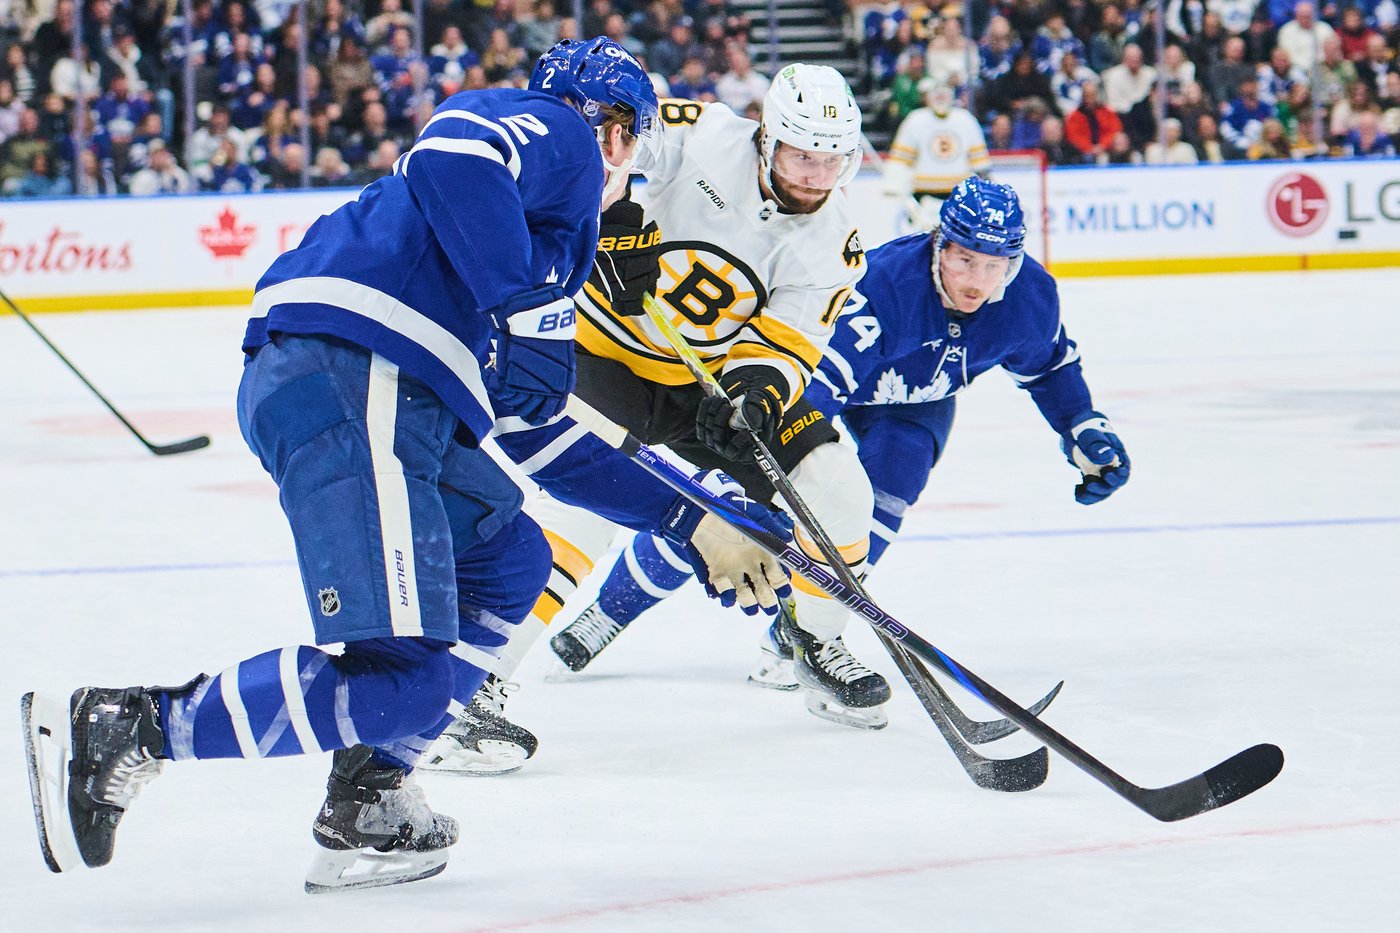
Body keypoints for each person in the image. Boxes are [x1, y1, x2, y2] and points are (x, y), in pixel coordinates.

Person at [21, 37, 791, 895]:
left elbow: (540, 437)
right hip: (360, 365)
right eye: (617, 136)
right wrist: (525, 299)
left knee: (512, 563)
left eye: (626, 144)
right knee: (407, 680)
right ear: (598, 125)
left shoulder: (542, 250)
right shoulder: (557, 141)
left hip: (393, 395)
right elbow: (455, 145)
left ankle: (370, 794)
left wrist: (692, 516)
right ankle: (130, 726)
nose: (618, 161)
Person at [424, 63, 890, 763]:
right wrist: (609, 220)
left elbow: (790, 335)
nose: (815, 174)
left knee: (838, 487)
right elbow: (605, 151)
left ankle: (812, 637)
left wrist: (756, 394)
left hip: (709, 384)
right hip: (601, 353)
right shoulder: (700, 130)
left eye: (832, 158)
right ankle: (471, 687)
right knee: (582, 506)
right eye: (800, 153)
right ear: (766, 138)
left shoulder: (840, 237)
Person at [576, 179, 1130, 698]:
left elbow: (1050, 367)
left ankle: (802, 632)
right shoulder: (886, 288)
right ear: (940, 244)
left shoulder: (1029, 297)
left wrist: (1082, 425)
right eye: (964, 259)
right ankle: (612, 609)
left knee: (877, 509)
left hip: (916, 405)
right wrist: (775, 469)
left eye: (994, 265)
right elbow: (815, 388)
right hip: (816, 389)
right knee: (740, 504)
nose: (976, 281)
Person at [884, 75, 991, 229]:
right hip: (923, 196)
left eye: (944, 93)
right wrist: (893, 185)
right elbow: (901, 160)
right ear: (926, 96)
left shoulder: (966, 120)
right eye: (936, 93)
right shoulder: (915, 120)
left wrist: (985, 193)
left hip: (959, 196)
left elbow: (981, 165)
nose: (940, 97)